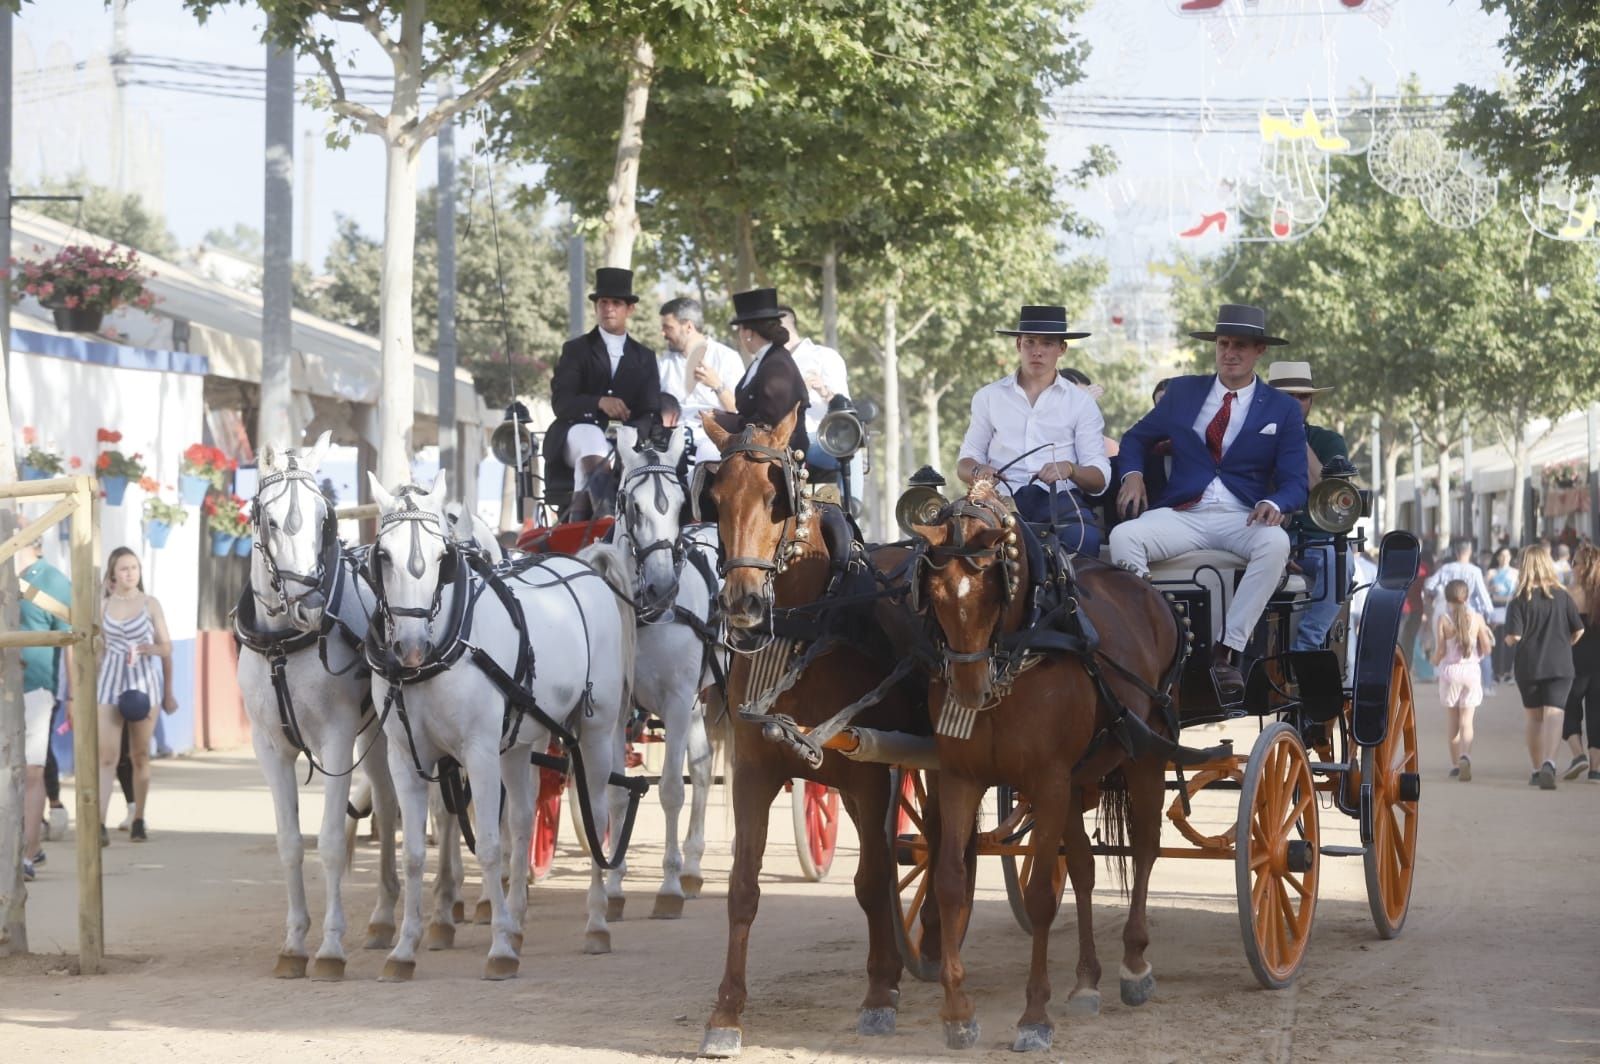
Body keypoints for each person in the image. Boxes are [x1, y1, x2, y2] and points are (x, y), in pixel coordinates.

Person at [1112, 303, 1308, 699]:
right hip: (1185, 512)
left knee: (1276, 543)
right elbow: (1135, 438)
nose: (1230, 352)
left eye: (1240, 345)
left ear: (1259, 352)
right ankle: (1153, 635)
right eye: (1223, 343)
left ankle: (1227, 651)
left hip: (1244, 516)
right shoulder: (1184, 392)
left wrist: (1275, 502)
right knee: (1123, 538)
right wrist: (1131, 475)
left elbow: (1295, 482)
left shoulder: (1282, 408)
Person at [956, 304, 1109, 553]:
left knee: (1084, 539)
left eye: (1047, 344)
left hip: (1059, 500)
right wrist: (978, 470)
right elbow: (964, 462)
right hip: (999, 500)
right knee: (958, 544)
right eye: (1030, 342)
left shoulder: (1081, 403)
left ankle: (1070, 593)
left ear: (1062, 349)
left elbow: (1099, 477)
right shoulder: (988, 396)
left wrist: (1068, 469)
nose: (1037, 351)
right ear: (1019, 345)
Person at [547, 267, 662, 520]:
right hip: (575, 434)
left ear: (629, 309)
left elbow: (650, 410)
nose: (609, 308)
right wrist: (599, 402)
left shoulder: (645, 357)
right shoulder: (576, 350)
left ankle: (576, 523)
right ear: (596, 307)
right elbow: (561, 403)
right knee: (591, 438)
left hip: (625, 440)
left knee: (585, 466)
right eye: (603, 302)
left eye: (616, 303)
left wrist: (631, 435)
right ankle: (605, 517)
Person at [1266, 361, 1350, 653]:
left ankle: (1307, 647)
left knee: (1341, 564)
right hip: (1263, 539)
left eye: (1303, 397)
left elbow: (1322, 492)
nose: (1296, 403)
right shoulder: (1249, 439)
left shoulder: (1328, 441)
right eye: (1288, 397)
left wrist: (1293, 435)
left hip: (1317, 543)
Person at [96, 547, 178, 842]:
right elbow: (98, 649)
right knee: (106, 756)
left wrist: (153, 651)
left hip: (144, 683)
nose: (130, 573)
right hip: (110, 681)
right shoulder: (103, 606)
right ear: (113, 574)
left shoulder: (150, 604)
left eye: (134, 567)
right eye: (124, 568)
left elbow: (167, 647)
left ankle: (139, 817)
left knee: (139, 754)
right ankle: (99, 823)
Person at [1504, 543, 1586, 790]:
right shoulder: (1562, 596)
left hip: (1529, 665)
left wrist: (1511, 639)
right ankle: (1551, 761)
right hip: (1560, 663)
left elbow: (1513, 637)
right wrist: (1564, 643)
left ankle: (1537, 768)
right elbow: (1578, 629)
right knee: (1554, 714)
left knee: (1534, 717)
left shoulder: (1519, 599)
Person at [16, 539, 70, 879]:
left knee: (32, 770)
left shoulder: (51, 579)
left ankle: (29, 851)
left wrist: (75, 697)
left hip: (36, 687)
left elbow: (70, 639)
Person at [705, 287, 810, 456]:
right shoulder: (764, 360)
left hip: (780, 450)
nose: (739, 335)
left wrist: (723, 420)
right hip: (758, 444)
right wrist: (724, 416)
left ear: (748, 333)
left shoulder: (777, 364)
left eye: (739, 329)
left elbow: (768, 423)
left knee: (706, 451)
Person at [659, 296, 743, 467]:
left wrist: (717, 385)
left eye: (668, 327)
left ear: (688, 326)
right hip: (671, 438)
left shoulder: (726, 358)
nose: (663, 333)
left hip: (712, 439)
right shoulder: (663, 363)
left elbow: (739, 411)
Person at [1430, 579, 1492, 782]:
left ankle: (1455, 765)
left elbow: (1440, 650)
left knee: (1452, 722)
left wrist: (1434, 660)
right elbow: (1487, 647)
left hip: (1450, 672)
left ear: (1447, 598)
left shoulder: (1444, 619)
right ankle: (1466, 755)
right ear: (1467, 596)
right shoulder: (1476, 618)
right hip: (1471, 672)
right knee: (1467, 721)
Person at [1425, 539, 1497, 694]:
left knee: (1449, 645)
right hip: (1470, 613)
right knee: (1479, 646)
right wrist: (1490, 615)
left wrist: (1438, 593)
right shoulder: (1475, 570)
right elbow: (1483, 595)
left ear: (1456, 552)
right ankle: (1487, 685)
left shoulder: (1445, 568)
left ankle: (1448, 679)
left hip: (1449, 612)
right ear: (1469, 552)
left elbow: (1429, 585)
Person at [1560, 543, 1600, 781]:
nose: (1571, 567)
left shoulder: (1569, 594)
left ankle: (1578, 754)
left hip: (1574, 659)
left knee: (1566, 707)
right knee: (1598, 712)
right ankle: (1596, 768)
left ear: (1584, 567)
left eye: (1574, 562)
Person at [1487, 546, 1518, 683]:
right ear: (1497, 557)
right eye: (1501, 555)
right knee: (1496, 641)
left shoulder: (1515, 573)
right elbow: (1484, 588)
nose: (1504, 558)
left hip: (1510, 607)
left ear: (1510, 557)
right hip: (1496, 607)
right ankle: (1496, 671)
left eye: (1507, 555)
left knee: (1509, 640)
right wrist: (1491, 588)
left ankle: (1507, 671)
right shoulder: (1492, 572)